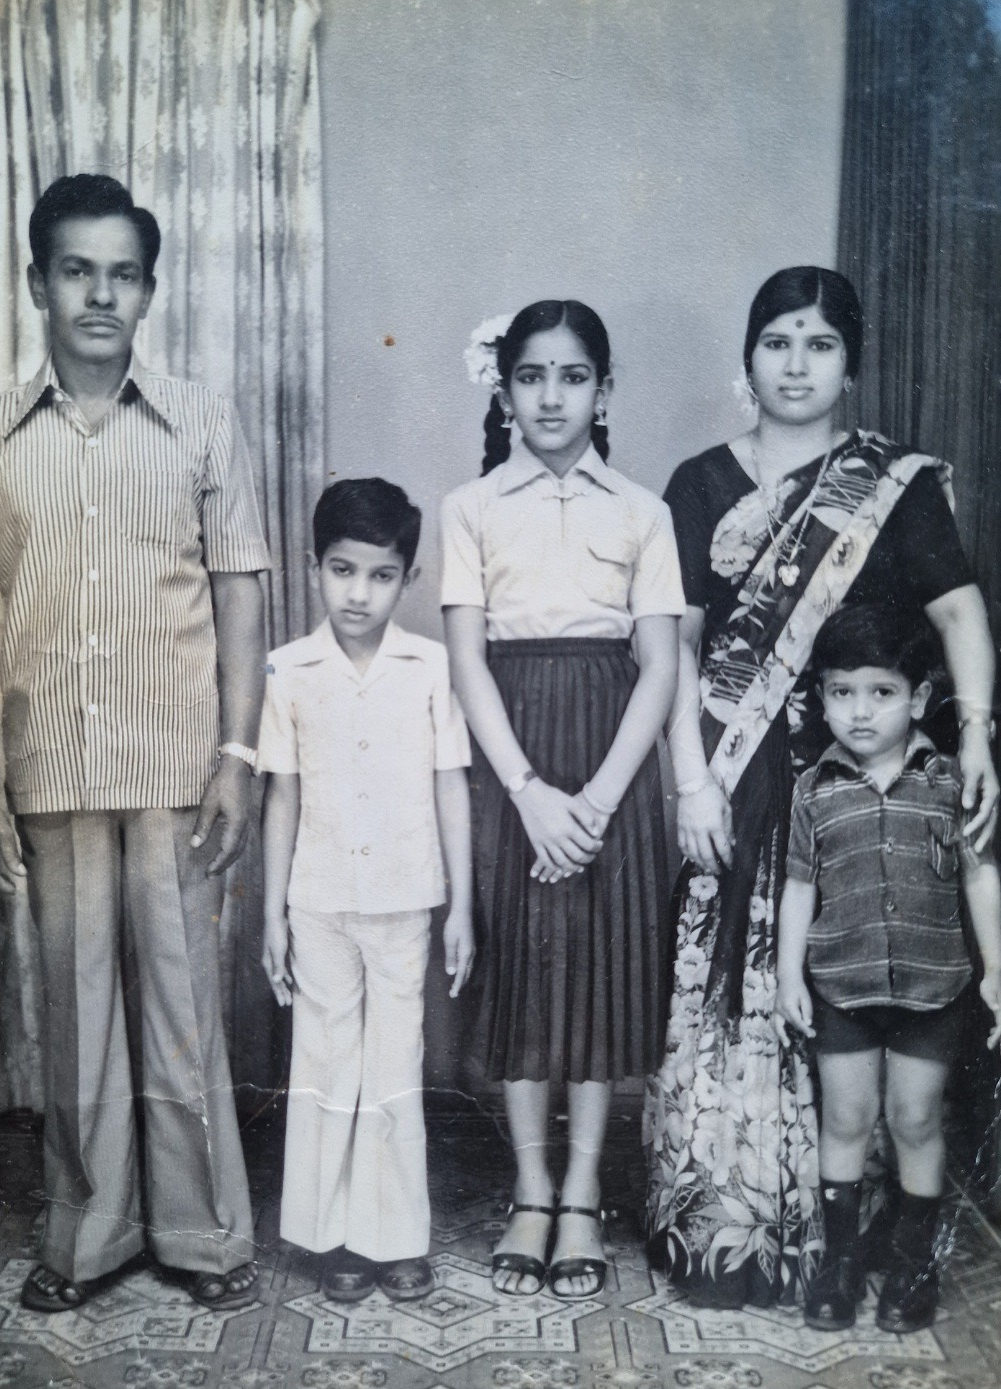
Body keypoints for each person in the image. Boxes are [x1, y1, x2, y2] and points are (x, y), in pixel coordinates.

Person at [0, 174, 270, 1313]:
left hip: (176, 769)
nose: (99, 294)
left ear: (149, 290)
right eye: (77, 270)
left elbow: (239, 597)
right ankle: (88, 1242)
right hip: (52, 772)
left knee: (179, 1008)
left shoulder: (204, 421)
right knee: (76, 1016)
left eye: (122, 274)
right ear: (37, 282)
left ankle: (204, 1239)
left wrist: (238, 754)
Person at [643, 265, 999, 1309]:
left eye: (820, 344)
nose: (796, 364)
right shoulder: (700, 482)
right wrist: (688, 781)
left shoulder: (894, 482)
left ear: (851, 364)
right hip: (736, 769)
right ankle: (725, 1220)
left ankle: (853, 1240)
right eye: (778, 342)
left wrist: (974, 738)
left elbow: (962, 615)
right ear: (747, 359)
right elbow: (676, 646)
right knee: (733, 983)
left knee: (858, 984)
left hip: (865, 775)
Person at [442, 301, 684, 1299]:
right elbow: (464, 659)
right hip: (516, 765)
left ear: (604, 390)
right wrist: (533, 795)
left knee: (597, 976)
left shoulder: (642, 511)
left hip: (610, 765)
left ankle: (583, 1191)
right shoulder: (471, 507)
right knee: (522, 977)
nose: (551, 396)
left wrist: (597, 802)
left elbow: (661, 667)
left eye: (573, 376)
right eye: (532, 376)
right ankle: (531, 1191)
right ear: (504, 390)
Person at [258, 478, 474, 1304]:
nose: (359, 592)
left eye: (381, 575)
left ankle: (395, 1238)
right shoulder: (289, 667)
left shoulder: (429, 666)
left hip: (403, 897)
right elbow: (281, 794)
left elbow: (452, 784)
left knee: (394, 1065)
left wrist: (459, 904)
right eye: (342, 570)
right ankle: (334, 1236)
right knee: (324, 1059)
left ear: (408, 578)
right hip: (316, 897)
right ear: (316, 567)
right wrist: (274, 912)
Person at [775, 604, 1001, 1333]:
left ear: (921, 699)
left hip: (933, 986)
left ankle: (911, 1266)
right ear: (821, 697)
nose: (861, 712)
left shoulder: (947, 783)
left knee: (914, 1117)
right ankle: (840, 1267)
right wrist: (786, 977)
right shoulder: (815, 789)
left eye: (882, 691)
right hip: (842, 983)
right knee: (845, 1118)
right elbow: (799, 888)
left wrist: (996, 966)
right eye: (842, 692)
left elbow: (978, 878)